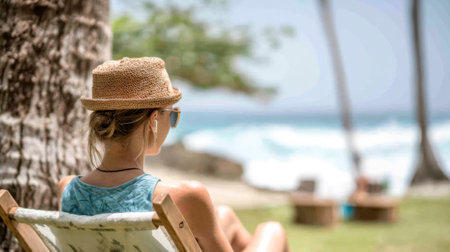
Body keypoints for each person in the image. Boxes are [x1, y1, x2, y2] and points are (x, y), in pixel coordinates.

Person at [57, 57, 290, 252]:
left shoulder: (67, 189)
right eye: (172, 114)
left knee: (225, 215)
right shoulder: (185, 197)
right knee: (271, 230)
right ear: (152, 121)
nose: (173, 122)